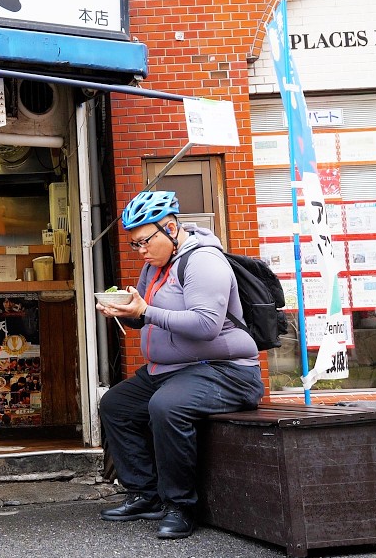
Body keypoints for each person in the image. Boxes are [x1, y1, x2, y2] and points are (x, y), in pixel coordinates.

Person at [96, 191, 263, 540]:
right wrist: (126, 311)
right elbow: (146, 317)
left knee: (166, 407)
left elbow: (206, 325)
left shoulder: (203, 262)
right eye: (134, 244)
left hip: (226, 369)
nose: (140, 251)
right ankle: (146, 493)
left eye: (144, 242)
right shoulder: (154, 267)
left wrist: (145, 312)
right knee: (116, 404)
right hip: (171, 369)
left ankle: (180, 505)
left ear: (170, 228)